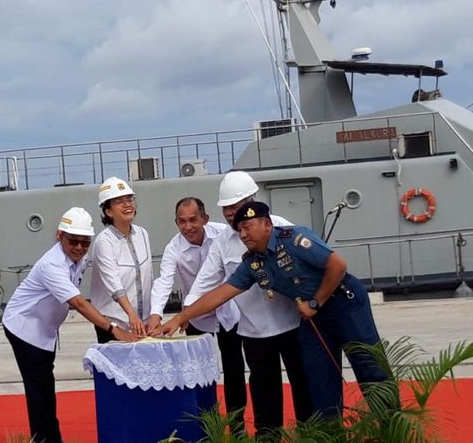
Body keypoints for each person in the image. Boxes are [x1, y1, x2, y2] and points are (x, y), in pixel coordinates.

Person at [154, 201, 392, 420]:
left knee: (370, 368)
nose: (244, 235)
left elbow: (337, 265)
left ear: (267, 224)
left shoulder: (294, 238)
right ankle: (329, 433)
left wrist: (315, 303)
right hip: (312, 320)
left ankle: (392, 426)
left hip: (344, 305)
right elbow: (222, 292)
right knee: (321, 382)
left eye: (248, 227)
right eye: (240, 230)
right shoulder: (252, 263)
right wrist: (181, 317)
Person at [183, 172, 311, 438]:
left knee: (305, 389)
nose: (230, 214)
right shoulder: (222, 243)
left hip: (293, 325)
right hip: (254, 333)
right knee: (265, 400)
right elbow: (204, 286)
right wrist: (183, 315)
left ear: (251, 200)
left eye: (235, 207)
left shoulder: (279, 226)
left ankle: (313, 435)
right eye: (226, 208)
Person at [2, 207, 138, 443]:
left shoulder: (79, 258)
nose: (79, 248)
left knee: (45, 386)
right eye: (73, 241)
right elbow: (78, 303)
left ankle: (50, 437)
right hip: (25, 329)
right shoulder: (52, 265)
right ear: (59, 236)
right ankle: (45, 439)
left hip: (45, 329)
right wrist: (113, 330)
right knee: (39, 389)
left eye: (85, 243)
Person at [147, 197, 227, 334]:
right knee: (197, 355)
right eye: (182, 221)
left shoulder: (223, 234)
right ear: (176, 222)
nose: (188, 227)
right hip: (193, 313)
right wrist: (155, 313)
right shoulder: (173, 248)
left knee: (232, 354)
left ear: (205, 219)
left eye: (193, 220)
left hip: (226, 308)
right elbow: (164, 280)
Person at [90, 177, 154, 341]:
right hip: (114, 324)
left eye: (129, 199)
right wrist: (131, 314)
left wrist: (152, 314)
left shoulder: (142, 234)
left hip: (141, 323)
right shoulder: (104, 242)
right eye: (119, 201)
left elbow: (149, 277)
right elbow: (113, 283)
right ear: (108, 211)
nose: (127, 204)